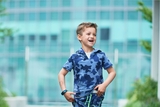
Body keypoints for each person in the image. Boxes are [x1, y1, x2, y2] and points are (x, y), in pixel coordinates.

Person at [58, 22, 116, 107]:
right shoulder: (75, 57)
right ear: (79, 37)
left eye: (94, 34)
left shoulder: (100, 55)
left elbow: (112, 72)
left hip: (96, 97)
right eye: (88, 34)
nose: (92, 36)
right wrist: (64, 91)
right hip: (79, 98)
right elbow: (61, 74)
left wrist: (104, 85)